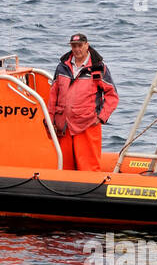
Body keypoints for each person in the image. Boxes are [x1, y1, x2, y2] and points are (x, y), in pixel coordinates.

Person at [49, 32, 118, 172]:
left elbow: (112, 96)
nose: (77, 49)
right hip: (64, 126)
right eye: (74, 46)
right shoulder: (62, 67)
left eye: (80, 45)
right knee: (64, 168)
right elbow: (52, 97)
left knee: (89, 168)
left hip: (88, 125)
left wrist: (101, 117)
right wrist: (50, 121)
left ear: (87, 45)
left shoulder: (98, 68)